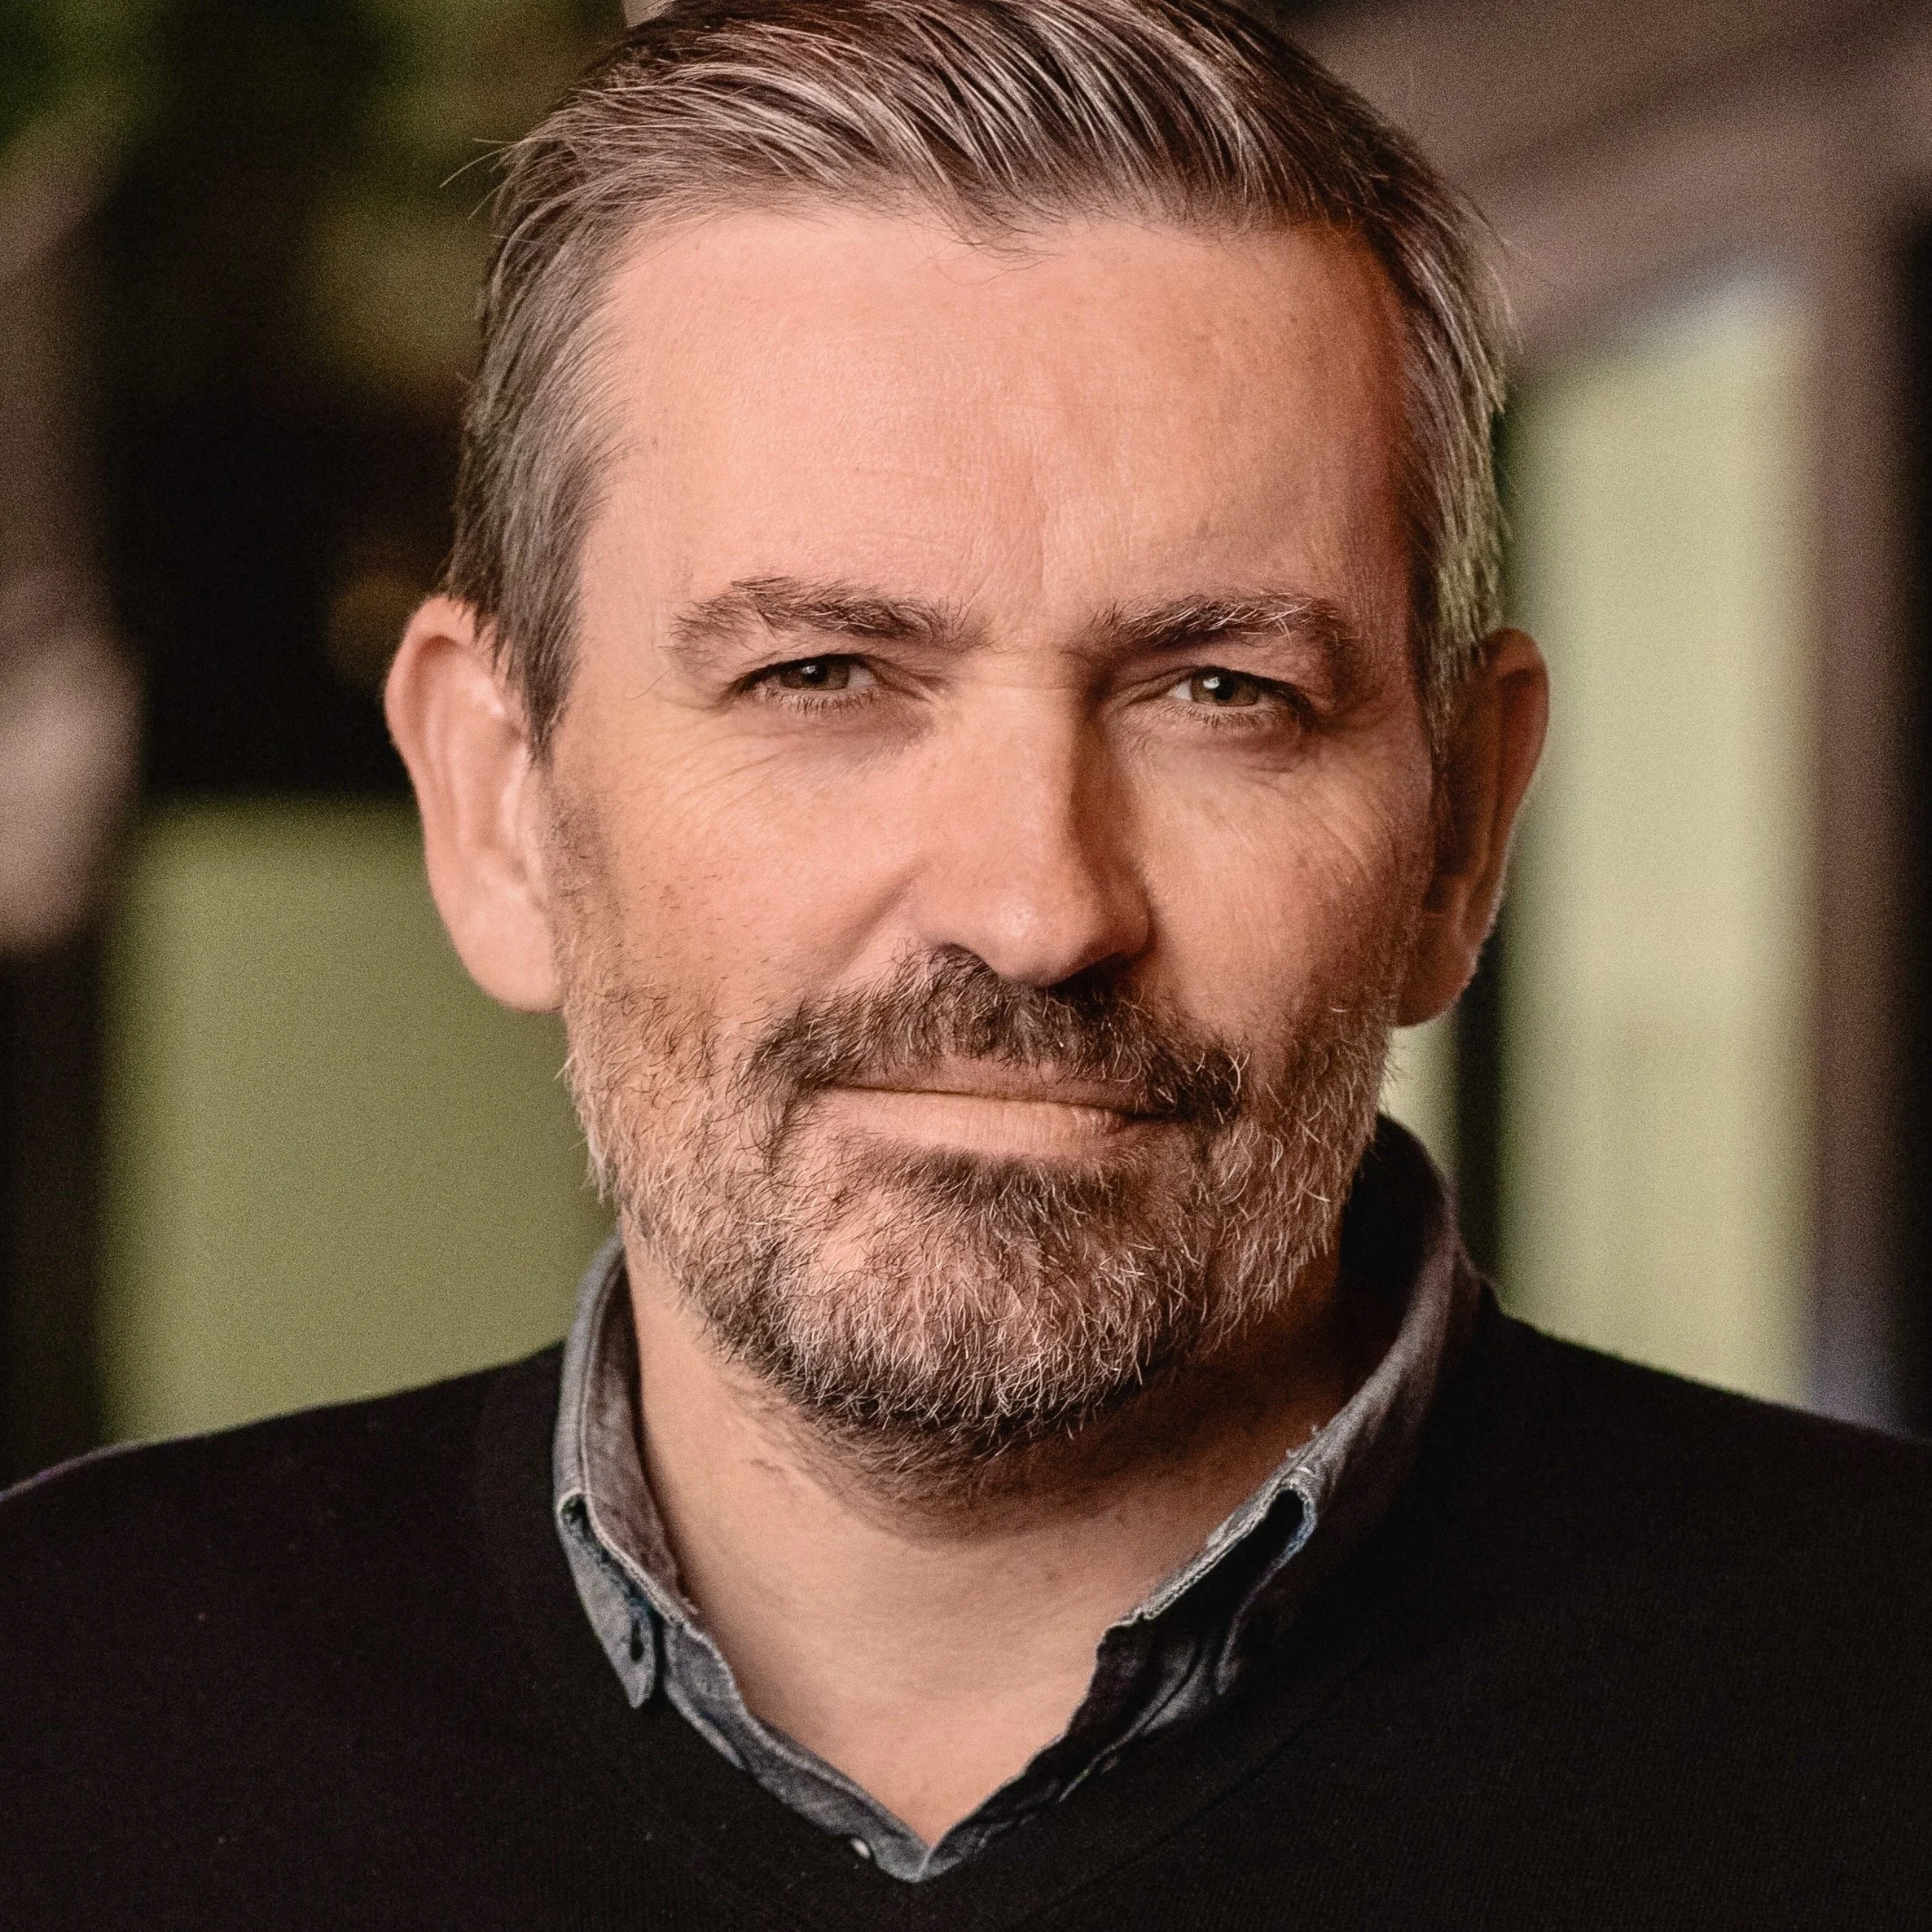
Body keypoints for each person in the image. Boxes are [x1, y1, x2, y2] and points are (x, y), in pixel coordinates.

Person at [4, 2, 1928, 1924]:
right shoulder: (58, 1722)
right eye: (821, 674)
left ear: (1462, 832)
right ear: (500, 802)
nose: (1033, 910)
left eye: (1220, 691)